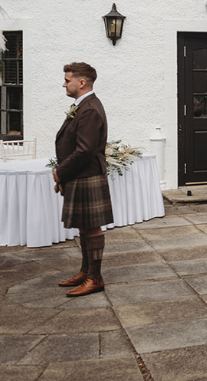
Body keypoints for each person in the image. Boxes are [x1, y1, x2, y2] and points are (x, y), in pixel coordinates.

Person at [53, 62, 111, 297]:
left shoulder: (89, 109)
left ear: (82, 82)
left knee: (92, 227)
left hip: (86, 175)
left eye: (68, 80)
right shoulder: (83, 105)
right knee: (84, 226)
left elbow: (85, 150)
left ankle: (95, 278)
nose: (64, 84)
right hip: (80, 175)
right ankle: (86, 271)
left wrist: (61, 170)